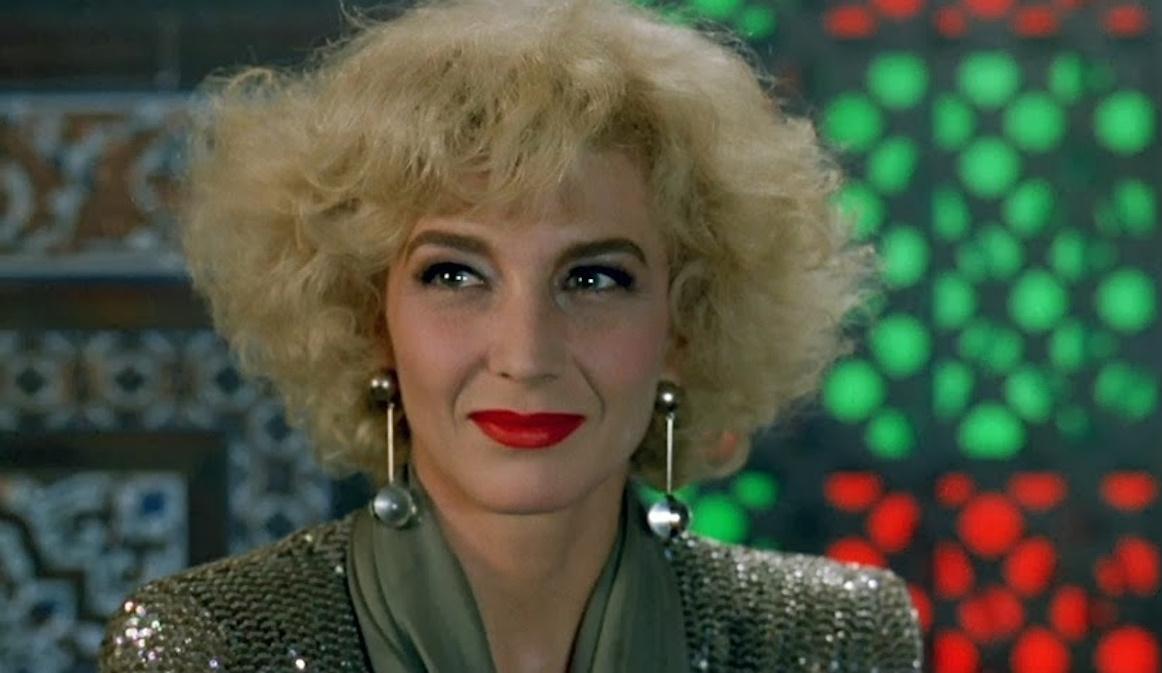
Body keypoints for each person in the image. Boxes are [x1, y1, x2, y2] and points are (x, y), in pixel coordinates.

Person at [100, 0, 923, 671]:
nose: (525, 355)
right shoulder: (211, 647)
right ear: (368, 318)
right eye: (455, 276)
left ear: (686, 324)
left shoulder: (833, 642)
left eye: (593, 279)